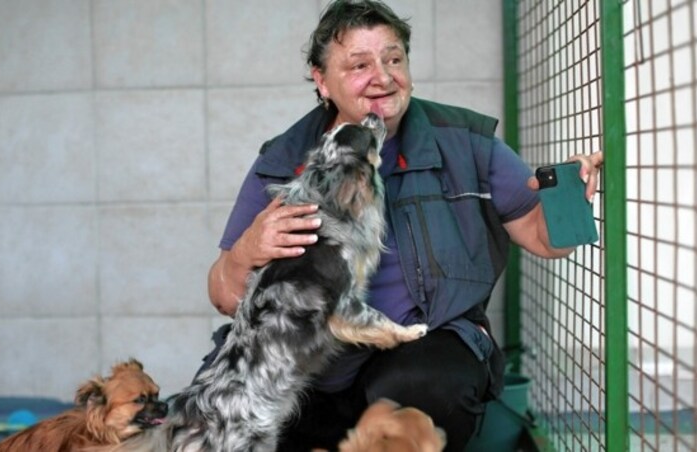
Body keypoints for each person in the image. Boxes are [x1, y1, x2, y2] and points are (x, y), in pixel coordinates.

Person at [205, 1, 603, 451]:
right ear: (322, 81)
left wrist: (568, 198)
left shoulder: (466, 142)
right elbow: (223, 294)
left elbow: (543, 237)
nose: (383, 75)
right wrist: (245, 252)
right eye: (359, 65)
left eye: (394, 59)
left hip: (422, 345)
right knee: (224, 411)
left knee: (424, 384)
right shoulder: (282, 160)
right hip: (313, 359)